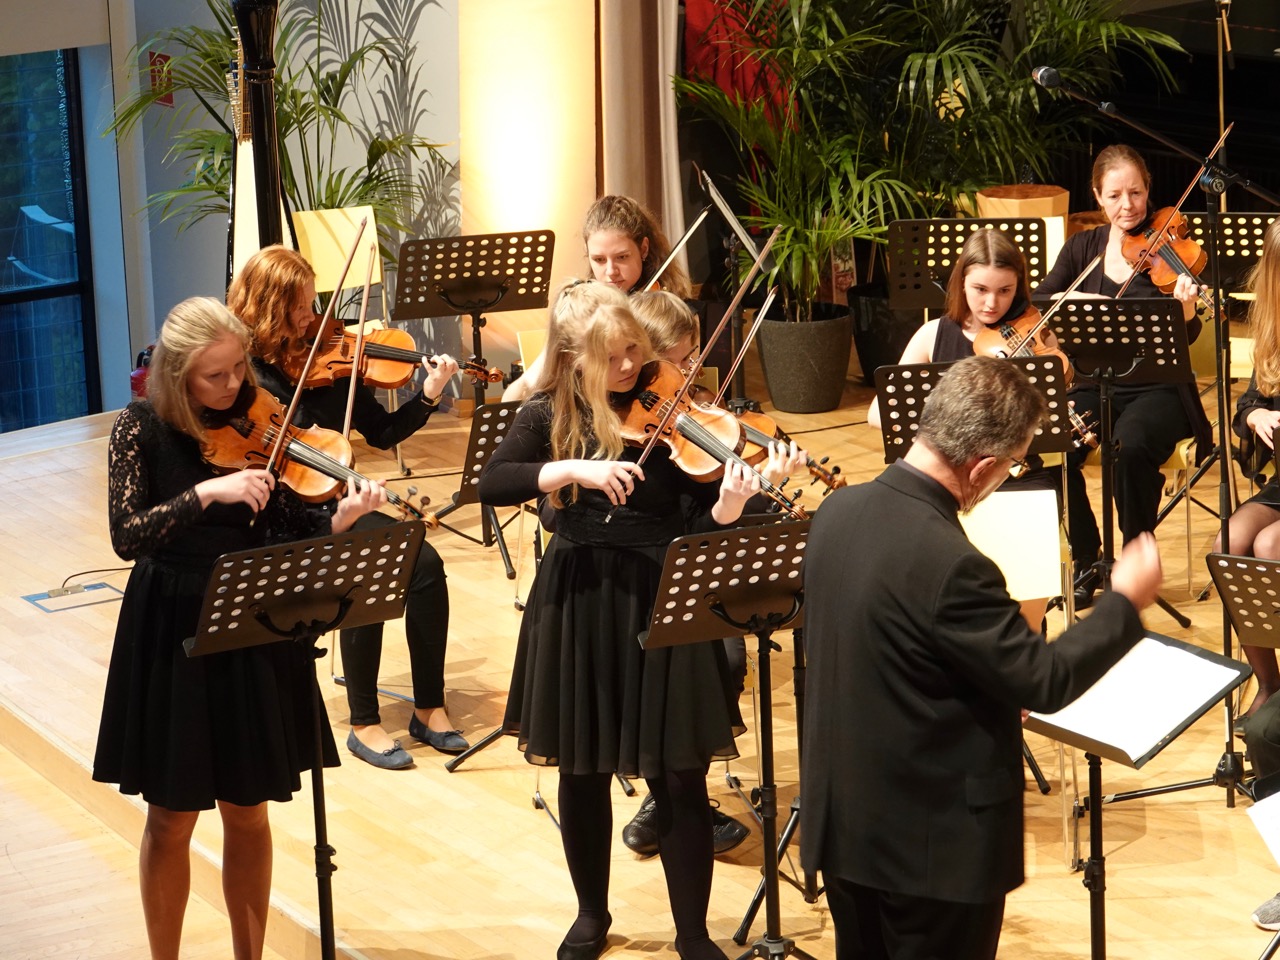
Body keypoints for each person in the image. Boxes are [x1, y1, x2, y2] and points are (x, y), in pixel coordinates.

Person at [478, 279, 805, 960]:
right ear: (574, 358)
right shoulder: (546, 414)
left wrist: (729, 506)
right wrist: (572, 470)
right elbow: (494, 480)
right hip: (579, 596)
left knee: (679, 773)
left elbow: (696, 521)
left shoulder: (672, 409)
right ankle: (590, 915)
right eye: (613, 357)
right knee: (581, 770)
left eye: (634, 349)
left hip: (662, 593)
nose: (631, 366)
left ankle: (693, 934)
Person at [800, 355, 1161, 960]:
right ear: (983, 466)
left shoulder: (836, 512)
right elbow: (1044, 680)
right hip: (929, 852)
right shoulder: (954, 564)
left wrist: (986, 684)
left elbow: (893, 655)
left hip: (846, 830)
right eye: (1012, 464)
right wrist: (1123, 603)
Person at [92, 297, 387, 960]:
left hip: (251, 614)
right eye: (215, 376)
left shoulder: (265, 417)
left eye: (238, 370)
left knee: (249, 810)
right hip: (174, 622)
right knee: (171, 817)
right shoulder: (139, 427)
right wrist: (205, 494)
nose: (233, 386)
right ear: (178, 375)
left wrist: (336, 522)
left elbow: (288, 525)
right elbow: (126, 534)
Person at [228, 245, 468, 768]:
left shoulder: (333, 361)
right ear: (269, 307)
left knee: (426, 565)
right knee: (369, 564)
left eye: (312, 302)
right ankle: (364, 723)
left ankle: (429, 707)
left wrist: (428, 394)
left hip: (338, 502)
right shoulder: (242, 373)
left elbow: (380, 433)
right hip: (280, 518)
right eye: (299, 306)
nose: (311, 316)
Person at [1035, 144, 1212, 608]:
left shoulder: (1169, 250)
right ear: (1097, 196)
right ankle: (1088, 557)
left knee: (1129, 448)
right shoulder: (1082, 248)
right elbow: (1041, 303)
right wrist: (1079, 304)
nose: (1127, 205)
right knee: (1052, 444)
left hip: (1160, 388)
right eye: (1114, 195)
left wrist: (1185, 307)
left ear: (1148, 189)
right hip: (1093, 383)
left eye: (1135, 192)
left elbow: (1188, 335)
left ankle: (1134, 566)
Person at [867, 229, 1059, 630]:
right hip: (944, 480)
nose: (991, 303)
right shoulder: (933, 334)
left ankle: (1024, 643)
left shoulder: (1033, 332)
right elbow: (876, 413)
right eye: (980, 289)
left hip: (1014, 477)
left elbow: (1051, 415)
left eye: (1005, 291)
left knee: (1024, 564)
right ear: (961, 284)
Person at [619, 289, 750, 858]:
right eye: (678, 361)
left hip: (691, 565)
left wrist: (741, 493)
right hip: (636, 579)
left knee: (730, 658)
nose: (689, 373)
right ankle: (667, 795)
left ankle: (679, 789)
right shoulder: (625, 426)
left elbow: (705, 517)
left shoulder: (689, 418)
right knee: (691, 663)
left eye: (692, 358)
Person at [503, 195, 691, 402]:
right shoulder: (584, 310)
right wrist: (516, 397)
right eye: (599, 259)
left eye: (622, 257)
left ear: (643, 249)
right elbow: (530, 382)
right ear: (587, 253)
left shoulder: (665, 306)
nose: (611, 271)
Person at [1213, 218, 1280, 723]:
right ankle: (1269, 682)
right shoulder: (1274, 329)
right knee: (1227, 546)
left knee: (1270, 545)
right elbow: (1247, 403)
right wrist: (1255, 415)